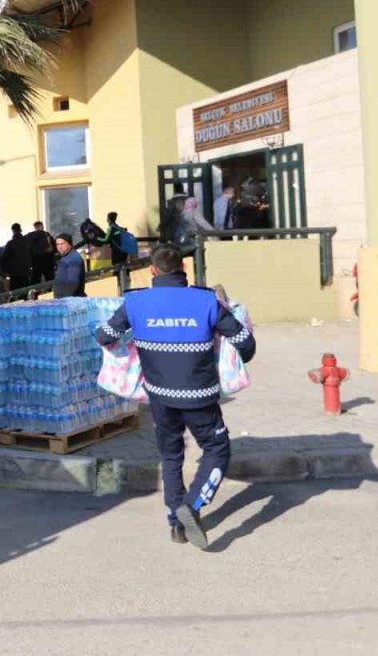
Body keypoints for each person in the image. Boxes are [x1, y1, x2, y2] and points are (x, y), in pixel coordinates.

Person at [95, 245, 256, 549]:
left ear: (152, 270)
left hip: (159, 397)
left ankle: (176, 523)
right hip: (201, 397)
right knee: (217, 448)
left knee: (171, 456)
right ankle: (192, 505)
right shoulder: (206, 300)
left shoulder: (135, 302)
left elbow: (103, 336)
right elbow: (245, 344)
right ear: (183, 267)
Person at [53, 233, 87, 298]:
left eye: (62, 244)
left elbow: (73, 283)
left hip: (71, 301)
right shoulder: (64, 258)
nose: (60, 247)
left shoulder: (74, 259)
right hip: (62, 300)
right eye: (58, 244)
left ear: (69, 244)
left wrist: (64, 300)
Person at [1, 223, 33, 291]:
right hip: (26, 270)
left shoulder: (10, 243)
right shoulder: (27, 242)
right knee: (26, 290)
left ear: (13, 231)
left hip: (14, 272)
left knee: (15, 292)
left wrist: (5, 271)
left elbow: (5, 258)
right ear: (20, 230)